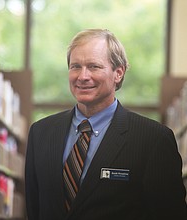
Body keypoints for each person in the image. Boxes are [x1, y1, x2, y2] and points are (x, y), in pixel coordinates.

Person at [25, 29, 187, 220]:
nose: (83, 76)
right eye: (75, 66)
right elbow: (34, 209)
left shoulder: (153, 139)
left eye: (93, 66)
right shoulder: (41, 133)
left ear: (118, 73)